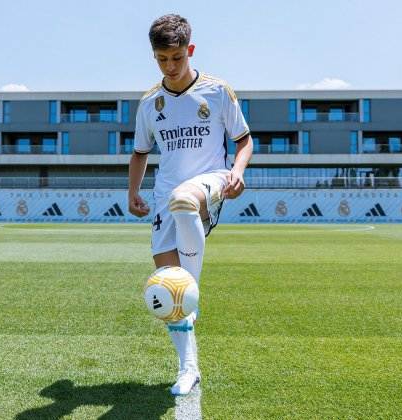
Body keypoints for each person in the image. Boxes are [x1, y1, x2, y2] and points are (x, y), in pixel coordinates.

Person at [127, 13, 253, 396]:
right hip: (163, 194)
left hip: (209, 182)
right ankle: (188, 369)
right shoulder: (150, 103)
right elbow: (139, 153)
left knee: (185, 201)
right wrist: (133, 192)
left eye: (177, 58)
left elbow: (244, 140)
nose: (171, 66)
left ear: (190, 50)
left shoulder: (217, 91)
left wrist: (237, 171)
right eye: (163, 60)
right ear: (154, 57)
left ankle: (194, 287)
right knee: (170, 294)